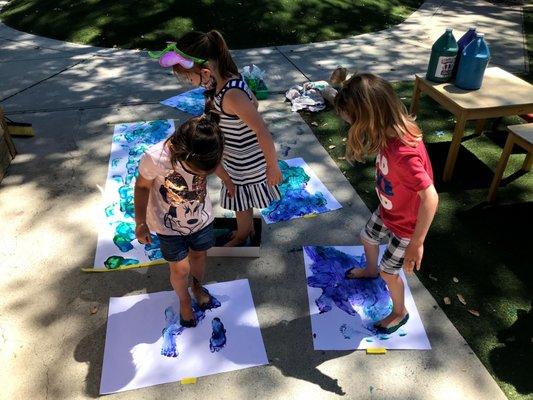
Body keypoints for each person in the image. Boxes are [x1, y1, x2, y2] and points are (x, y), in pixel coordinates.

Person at [156, 30, 283, 246]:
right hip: (235, 157)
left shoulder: (231, 94)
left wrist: (272, 166)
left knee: (240, 203)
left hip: (245, 162)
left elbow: (262, 130)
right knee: (241, 199)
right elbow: (254, 103)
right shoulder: (226, 81)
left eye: (189, 77)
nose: (188, 81)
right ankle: (246, 228)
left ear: (206, 72)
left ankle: (242, 235)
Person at [335, 73, 439, 334]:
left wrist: (416, 243)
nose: (349, 124)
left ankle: (399, 311)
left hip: (406, 226)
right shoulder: (390, 127)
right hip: (388, 209)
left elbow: (431, 197)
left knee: (389, 273)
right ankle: (370, 270)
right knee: (367, 237)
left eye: (352, 120)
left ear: (369, 118)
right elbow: (368, 90)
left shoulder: (404, 155)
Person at [134, 112, 224, 327]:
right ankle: (184, 301)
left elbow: (215, 164)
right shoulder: (155, 157)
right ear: (183, 156)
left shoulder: (206, 148)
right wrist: (140, 222)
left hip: (201, 218)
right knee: (179, 268)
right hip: (168, 225)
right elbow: (142, 186)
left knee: (199, 255)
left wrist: (229, 182)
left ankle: (196, 286)